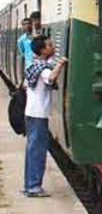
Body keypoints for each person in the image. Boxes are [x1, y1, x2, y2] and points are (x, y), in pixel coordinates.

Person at [22, 35, 67, 198]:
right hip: (38, 115)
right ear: (42, 50)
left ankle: (29, 184)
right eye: (49, 45)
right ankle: (33, 186)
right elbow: (51, 77)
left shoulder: (34, 65)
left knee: (31, 150)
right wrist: (61, 64)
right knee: (37, 151)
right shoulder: (43, 68)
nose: (53, 47)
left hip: (31, 113)